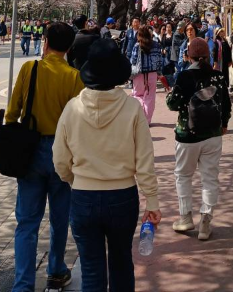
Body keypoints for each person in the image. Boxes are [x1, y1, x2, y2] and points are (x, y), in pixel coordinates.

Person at [53, 40, 160, 292]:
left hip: (83, 197)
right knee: (122, 264)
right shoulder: (132, 108)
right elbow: (145, 159)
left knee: (91, 270)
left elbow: (59, 160)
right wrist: (152, 200)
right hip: (122, 197)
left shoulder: (72, 109)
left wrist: (75, 180)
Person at [5, 22, 84, 292]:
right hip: (61, 153)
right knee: (60, 218)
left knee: (27, 222)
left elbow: (12, 112)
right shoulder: (75, 77)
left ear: (46, 42)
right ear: (69, 47)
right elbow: (78, 122)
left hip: (29, 150)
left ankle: (23, 284)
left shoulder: (30, 69)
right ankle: (56, 271)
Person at [167, 38, 231, 241]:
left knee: (183, 175)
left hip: (187, 135)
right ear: (209, 55)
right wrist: (224, 124)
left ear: (188, 56)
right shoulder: (219, 77)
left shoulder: (184, 76)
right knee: (209, 178)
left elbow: (172, 104)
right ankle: (206, 220)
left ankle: (185, 217)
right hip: (213, 135)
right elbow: (226, 104)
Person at [130, 25, 163, 123]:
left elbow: (133, 60)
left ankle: (141, 117)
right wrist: (159, 72)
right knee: (150, 97)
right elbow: (159, 60)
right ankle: (147, 120)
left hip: (139, 74)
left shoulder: (137, 45)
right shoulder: (156, 45)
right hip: (152, 74)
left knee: (137, 95)